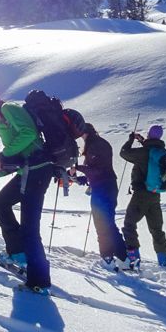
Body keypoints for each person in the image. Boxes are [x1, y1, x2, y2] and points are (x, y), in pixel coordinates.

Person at [0, 87, 57, 294]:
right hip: (28, 171)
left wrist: (3, 155)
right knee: (0, 204)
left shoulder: (8, 109)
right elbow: (18, 157)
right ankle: (18, 252)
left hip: (38, 171)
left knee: (30, 228)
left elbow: (28, 133)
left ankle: (39, 282)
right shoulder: (2, 120)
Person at [67, 111, 127, 270]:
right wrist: (80, 178)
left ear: (85, 133)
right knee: (109, 223)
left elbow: (96, 170)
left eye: (81, 135)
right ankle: (124, 258)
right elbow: (98, 170)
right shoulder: (101, 143)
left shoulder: (94, 145)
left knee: (101, 224)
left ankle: (107, 258)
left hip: (102, 188)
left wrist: (76, 168)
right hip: (109, 186)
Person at [119, 124, 166, 269]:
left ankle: (134, 260)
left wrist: (130, 139)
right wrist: (143, 141)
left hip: (141, 195)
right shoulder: (161, 152)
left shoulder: (144, 152)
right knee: (157, 230)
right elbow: (150, 152)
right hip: (155, 195)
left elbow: (124, 153)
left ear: (149, 134)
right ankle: (164, 263)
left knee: (129, 225)